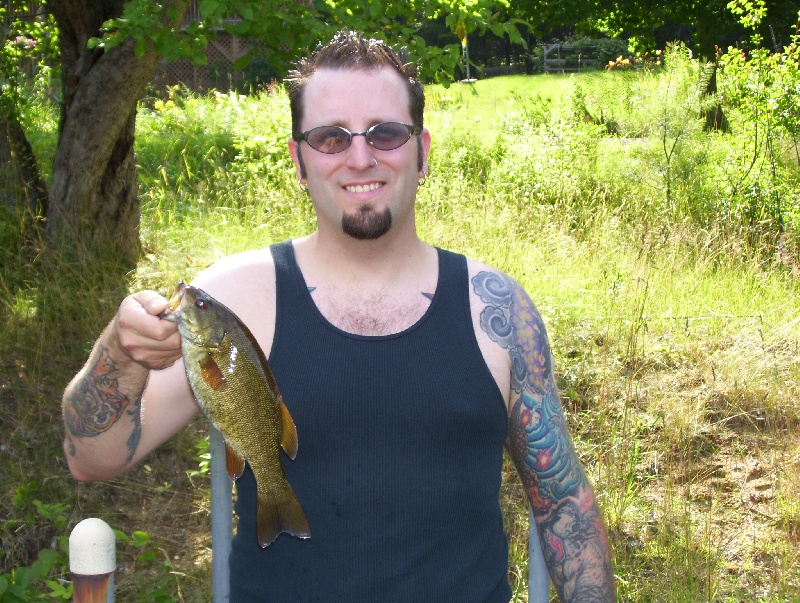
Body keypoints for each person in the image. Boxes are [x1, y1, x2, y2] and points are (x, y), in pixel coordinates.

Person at [62, 31, 615, 602]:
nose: (360, 156)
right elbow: (91, 458)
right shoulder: (232, 299)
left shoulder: (497, 309)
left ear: (422, 151)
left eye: (386, 133)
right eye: (330, 137)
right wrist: (120, 352)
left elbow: (564, 506)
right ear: (299, 160)